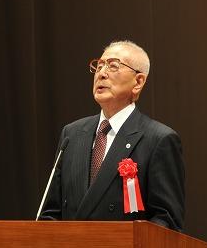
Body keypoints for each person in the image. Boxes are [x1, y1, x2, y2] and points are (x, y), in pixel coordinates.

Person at [39, 40, 185, 231]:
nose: (101, 73)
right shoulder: (72, 134)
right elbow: (51, 212)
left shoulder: (159, 139)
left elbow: (167, 221)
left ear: (138, 82)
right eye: (99, 66)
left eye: (113, 66)